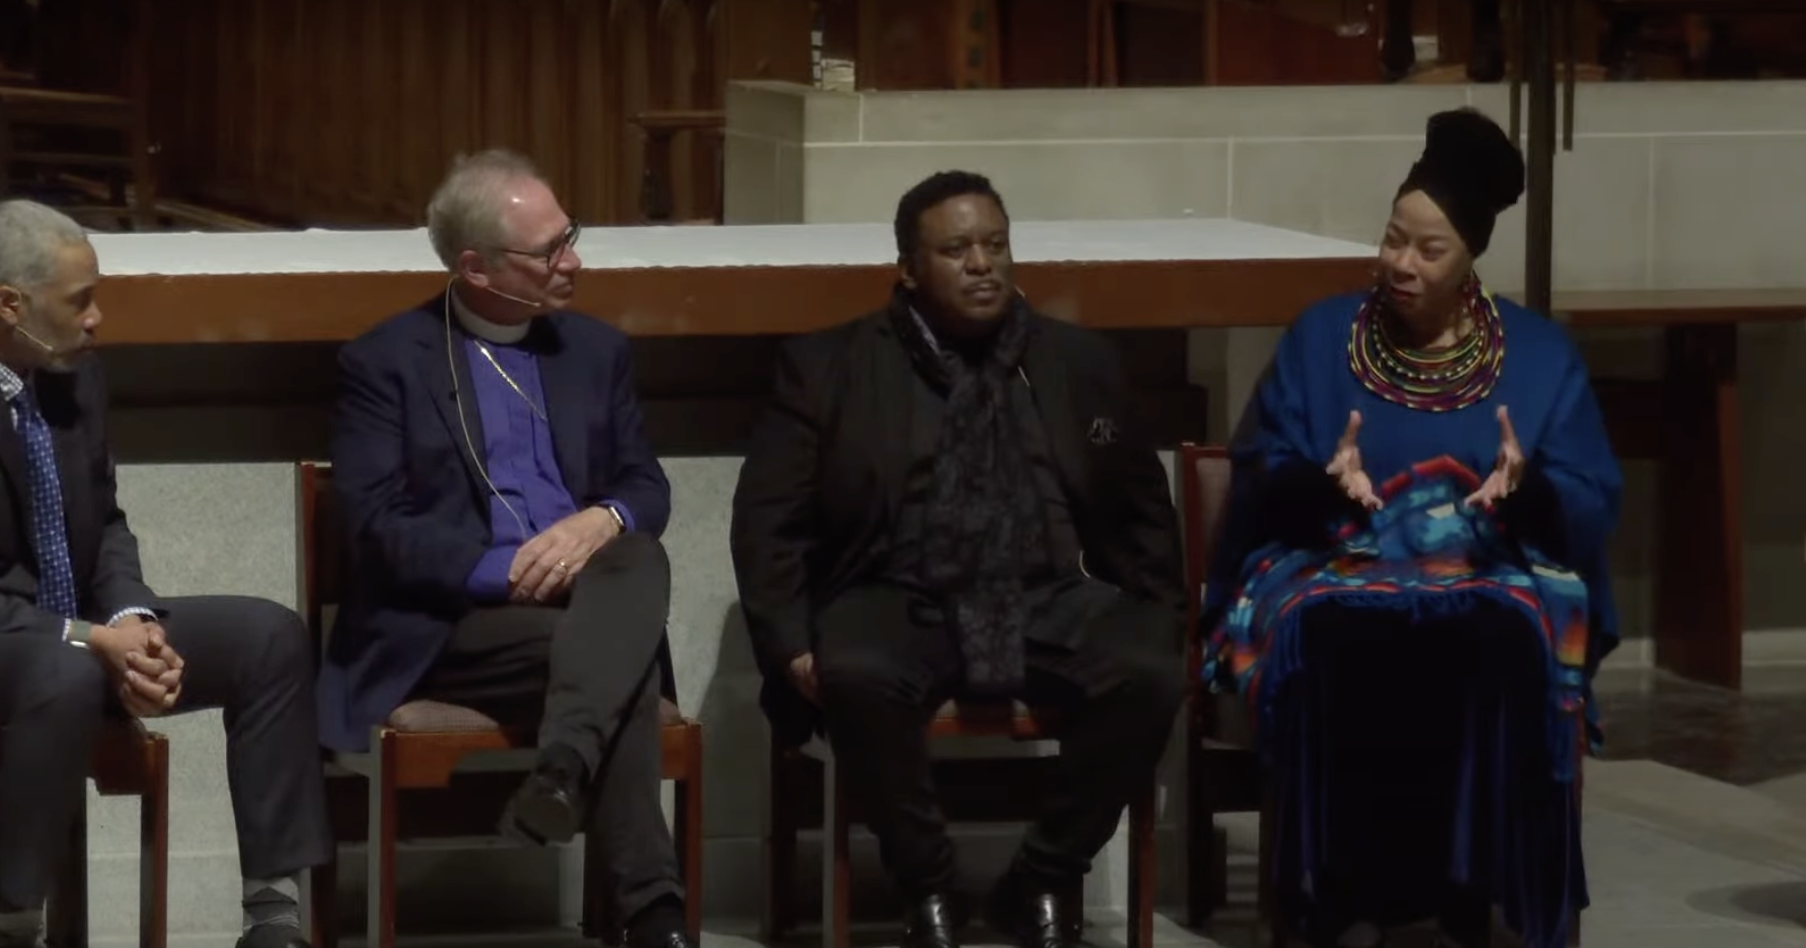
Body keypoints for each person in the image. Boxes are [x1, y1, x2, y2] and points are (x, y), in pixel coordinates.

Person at [0, 200, 331, 948]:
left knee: (268, 636)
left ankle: (273, 915)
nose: (97, 318)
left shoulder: (74, 379)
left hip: (62, 642)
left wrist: (130, 620)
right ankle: (15, 926)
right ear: (9, 304)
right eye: (79, 301)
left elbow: (104, 525)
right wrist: (83, 638)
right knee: (66, 670)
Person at [1201, 108, 1623, 948]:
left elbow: (1589, 500)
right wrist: (1324, 490)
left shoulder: (1537, 356)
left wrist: (1524, 494)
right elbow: (1261, 470)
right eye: (1393, 238)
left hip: (1490, 568)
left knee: (1496, 632)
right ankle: (1336, 896)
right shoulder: (1324, 337)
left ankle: (1479, 887)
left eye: (1428, 250)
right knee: (1338, 628)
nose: (1399, 263)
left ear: (1469, 258)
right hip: (1333, 559)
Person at [730, 170, 1185, 948]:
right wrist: (791, 643)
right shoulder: (831, 365)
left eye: (996, 245)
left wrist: (1161, 615)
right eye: (957, 249)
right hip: (897, 592)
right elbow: (766, 518)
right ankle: (926, 885)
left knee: (1149, 670)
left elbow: (1142, 508)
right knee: (857, 671)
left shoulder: (1077, 362)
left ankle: (1042, 876)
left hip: (1045, 591)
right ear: (909, 268)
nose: (983, 264)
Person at [317, 150, 691, 948]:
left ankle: (560, 774)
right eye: (550, 250)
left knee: (638, 556)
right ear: (475, 268)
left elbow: (645, 485)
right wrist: (509, 571)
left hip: (591, 603)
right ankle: (658, 917)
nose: (574, 261)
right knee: (610, 658)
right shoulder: (385, 362)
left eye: (571, 236)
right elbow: (376, 530)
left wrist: (603, 520)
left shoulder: (596, 350)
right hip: (456, 620)